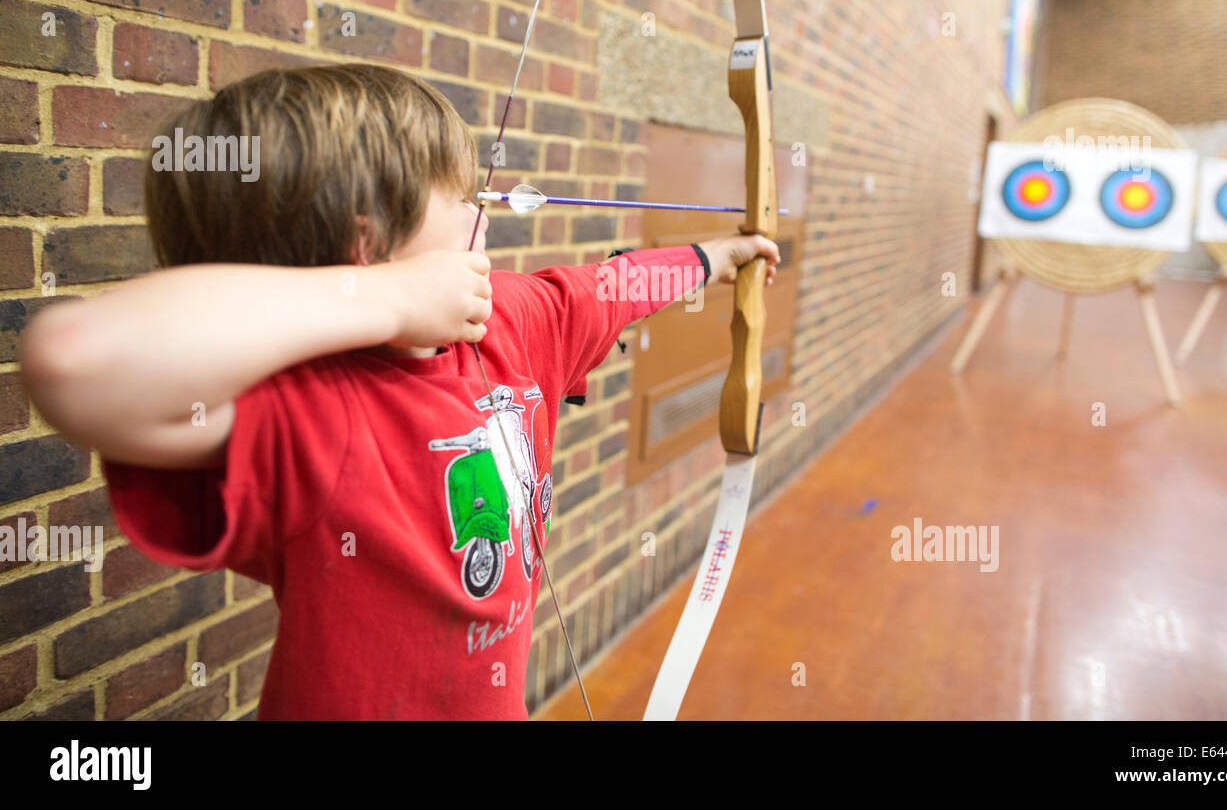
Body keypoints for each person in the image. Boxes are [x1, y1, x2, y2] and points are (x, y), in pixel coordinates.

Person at [19, 63, 779, 719]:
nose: (489, 215)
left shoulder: (512, 320)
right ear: (368, 247)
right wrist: (382, 301)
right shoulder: (308, 409)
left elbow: (616, 287)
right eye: (464, 201)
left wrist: (722, 255)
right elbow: (72, 361)